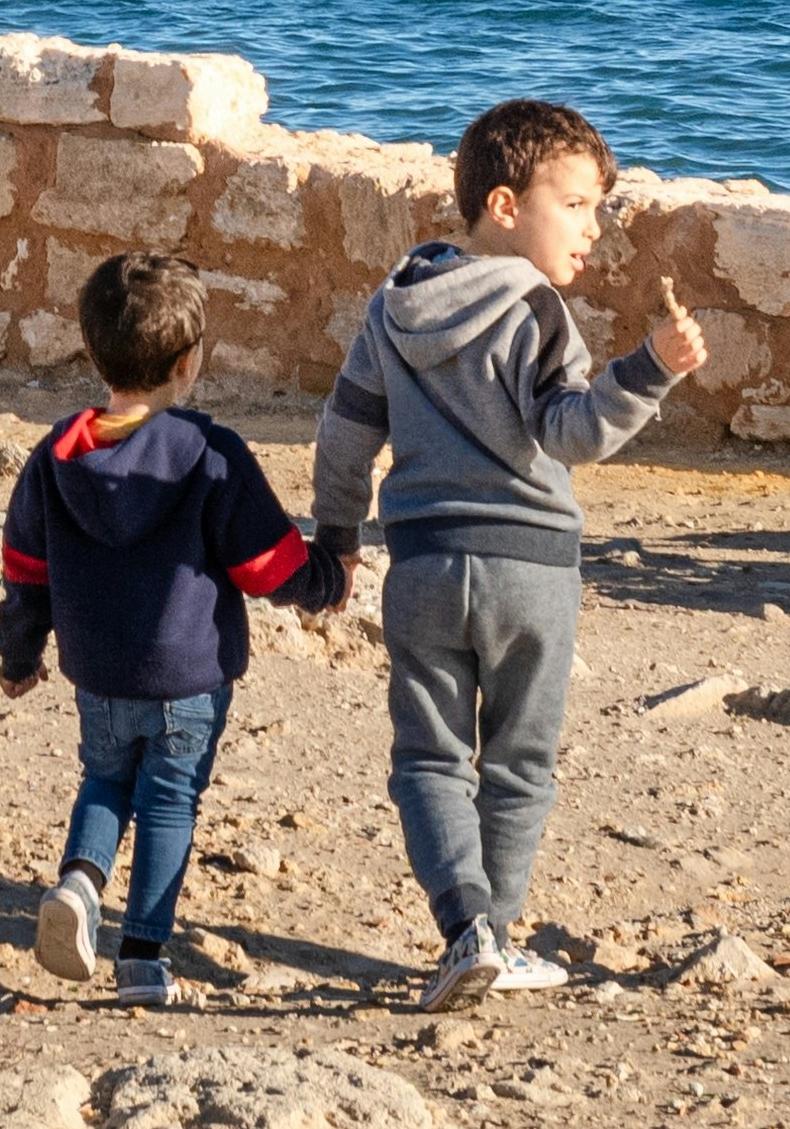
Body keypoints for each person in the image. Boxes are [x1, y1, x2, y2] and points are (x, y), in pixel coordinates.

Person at [303, 94, 709, 1012]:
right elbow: (570, 435)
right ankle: (498, 934)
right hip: (531, 572)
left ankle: (463, 929)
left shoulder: (393, 305)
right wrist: (648, 369)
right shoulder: (537, 309)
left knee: (429, 760)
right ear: (503, 207)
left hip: (424, 566)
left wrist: (336, 536)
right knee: (519, 764)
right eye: (576, 206)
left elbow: (344, 434)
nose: (594, 231)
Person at [0, 253, 317, 1008]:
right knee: (170, 800)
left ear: (92, 349)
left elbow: (24, 571)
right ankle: (142, 957)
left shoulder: (55, 457)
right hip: (188, 678)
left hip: (98, 670)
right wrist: (325, 580)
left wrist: (19, 654)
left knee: (105, 780)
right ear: (188, 361)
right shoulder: (209, 455)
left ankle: (79, 883)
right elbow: (267, 562)